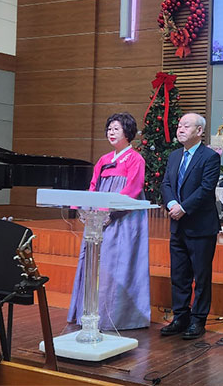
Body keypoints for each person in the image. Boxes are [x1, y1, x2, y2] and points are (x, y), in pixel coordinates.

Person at [67, 113, 150, 330]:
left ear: (128, 132)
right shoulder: (104, 160)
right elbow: (93, 187)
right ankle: (89, 313)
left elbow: (132, 190)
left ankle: (115, 316)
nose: (111, 133)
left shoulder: (135, 159)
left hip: (122, 219)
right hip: (98, 219)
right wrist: (84, 207)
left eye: (116, 129)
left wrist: (107, 213)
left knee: (115, 263)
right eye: (109, 129)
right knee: (94, 262)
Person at [160, 113, 222, 340]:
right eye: (179, 125)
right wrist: (172, 204)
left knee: (201, 276)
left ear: (199, 131)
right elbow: (166, 183)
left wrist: (183, 207)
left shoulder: (210, 156)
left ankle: (198, 320)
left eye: (186, 126)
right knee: (179, 275)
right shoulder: (175, 156)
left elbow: (206, 189)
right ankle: (180, 317)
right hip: (177, 225)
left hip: (201, 226)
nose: (180, 129)